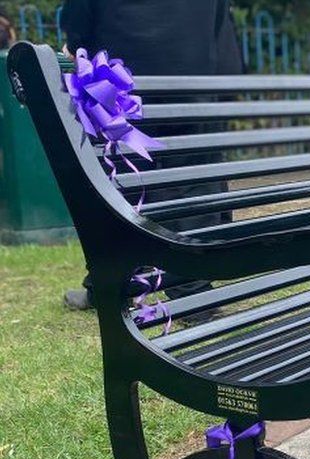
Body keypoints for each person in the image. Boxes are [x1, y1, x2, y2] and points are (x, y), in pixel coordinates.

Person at [60, 0, 243, 311]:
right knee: (192, 180)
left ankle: (113, 284)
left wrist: (77, 46)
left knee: (117, 179)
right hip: (192, 85)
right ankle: (193, 290)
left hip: (123, 87)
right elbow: (220, 27)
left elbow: (78, 20)